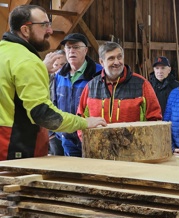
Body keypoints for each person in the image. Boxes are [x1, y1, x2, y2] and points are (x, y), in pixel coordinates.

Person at [0, 5, 106, 161]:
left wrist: (41, 69)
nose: (50, 31)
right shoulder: (28, 61)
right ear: (25, 30)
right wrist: (83, 122)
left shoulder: (5, 52)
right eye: (44, 25)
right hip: (16, 147)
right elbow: (43, 114)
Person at [77, 42, 162, 124]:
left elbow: (155, 118)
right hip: (98, 139)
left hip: (135, 139)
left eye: (119, 57)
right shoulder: (91, 86)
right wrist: (86, 138)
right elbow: (81, 119)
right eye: (111, 58)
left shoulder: (142, 84)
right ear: (101, 62)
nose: (117, 62)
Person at [53, 33, 103, 157]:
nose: (71, 51)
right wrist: (57, 133)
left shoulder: (99, 73)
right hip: (67, 138)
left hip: (92, 136)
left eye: (76, 47)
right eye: (68, 48)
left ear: (85, 50)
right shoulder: (59, 75)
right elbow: (54, 103)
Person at [48, 50, 67, 156]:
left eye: (63, 64)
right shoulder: (48, 81)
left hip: (68, 129)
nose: (59, 68)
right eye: (56, 65)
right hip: (52, 132)